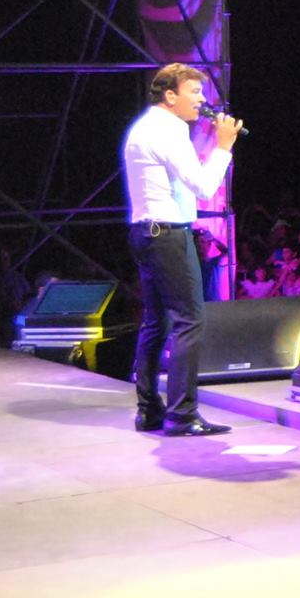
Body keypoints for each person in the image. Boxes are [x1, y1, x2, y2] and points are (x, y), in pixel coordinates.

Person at [123, 63, 241, 436]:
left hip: (145, 232)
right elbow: (204, 187)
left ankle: (150, 410)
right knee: (191, 321)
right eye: (194, 93)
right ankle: (182, 415)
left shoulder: (147, 126)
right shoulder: (168, 133)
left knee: (157, 323)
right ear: (170, 95)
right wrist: (223, 146)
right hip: (168, 235)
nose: (202, 100)